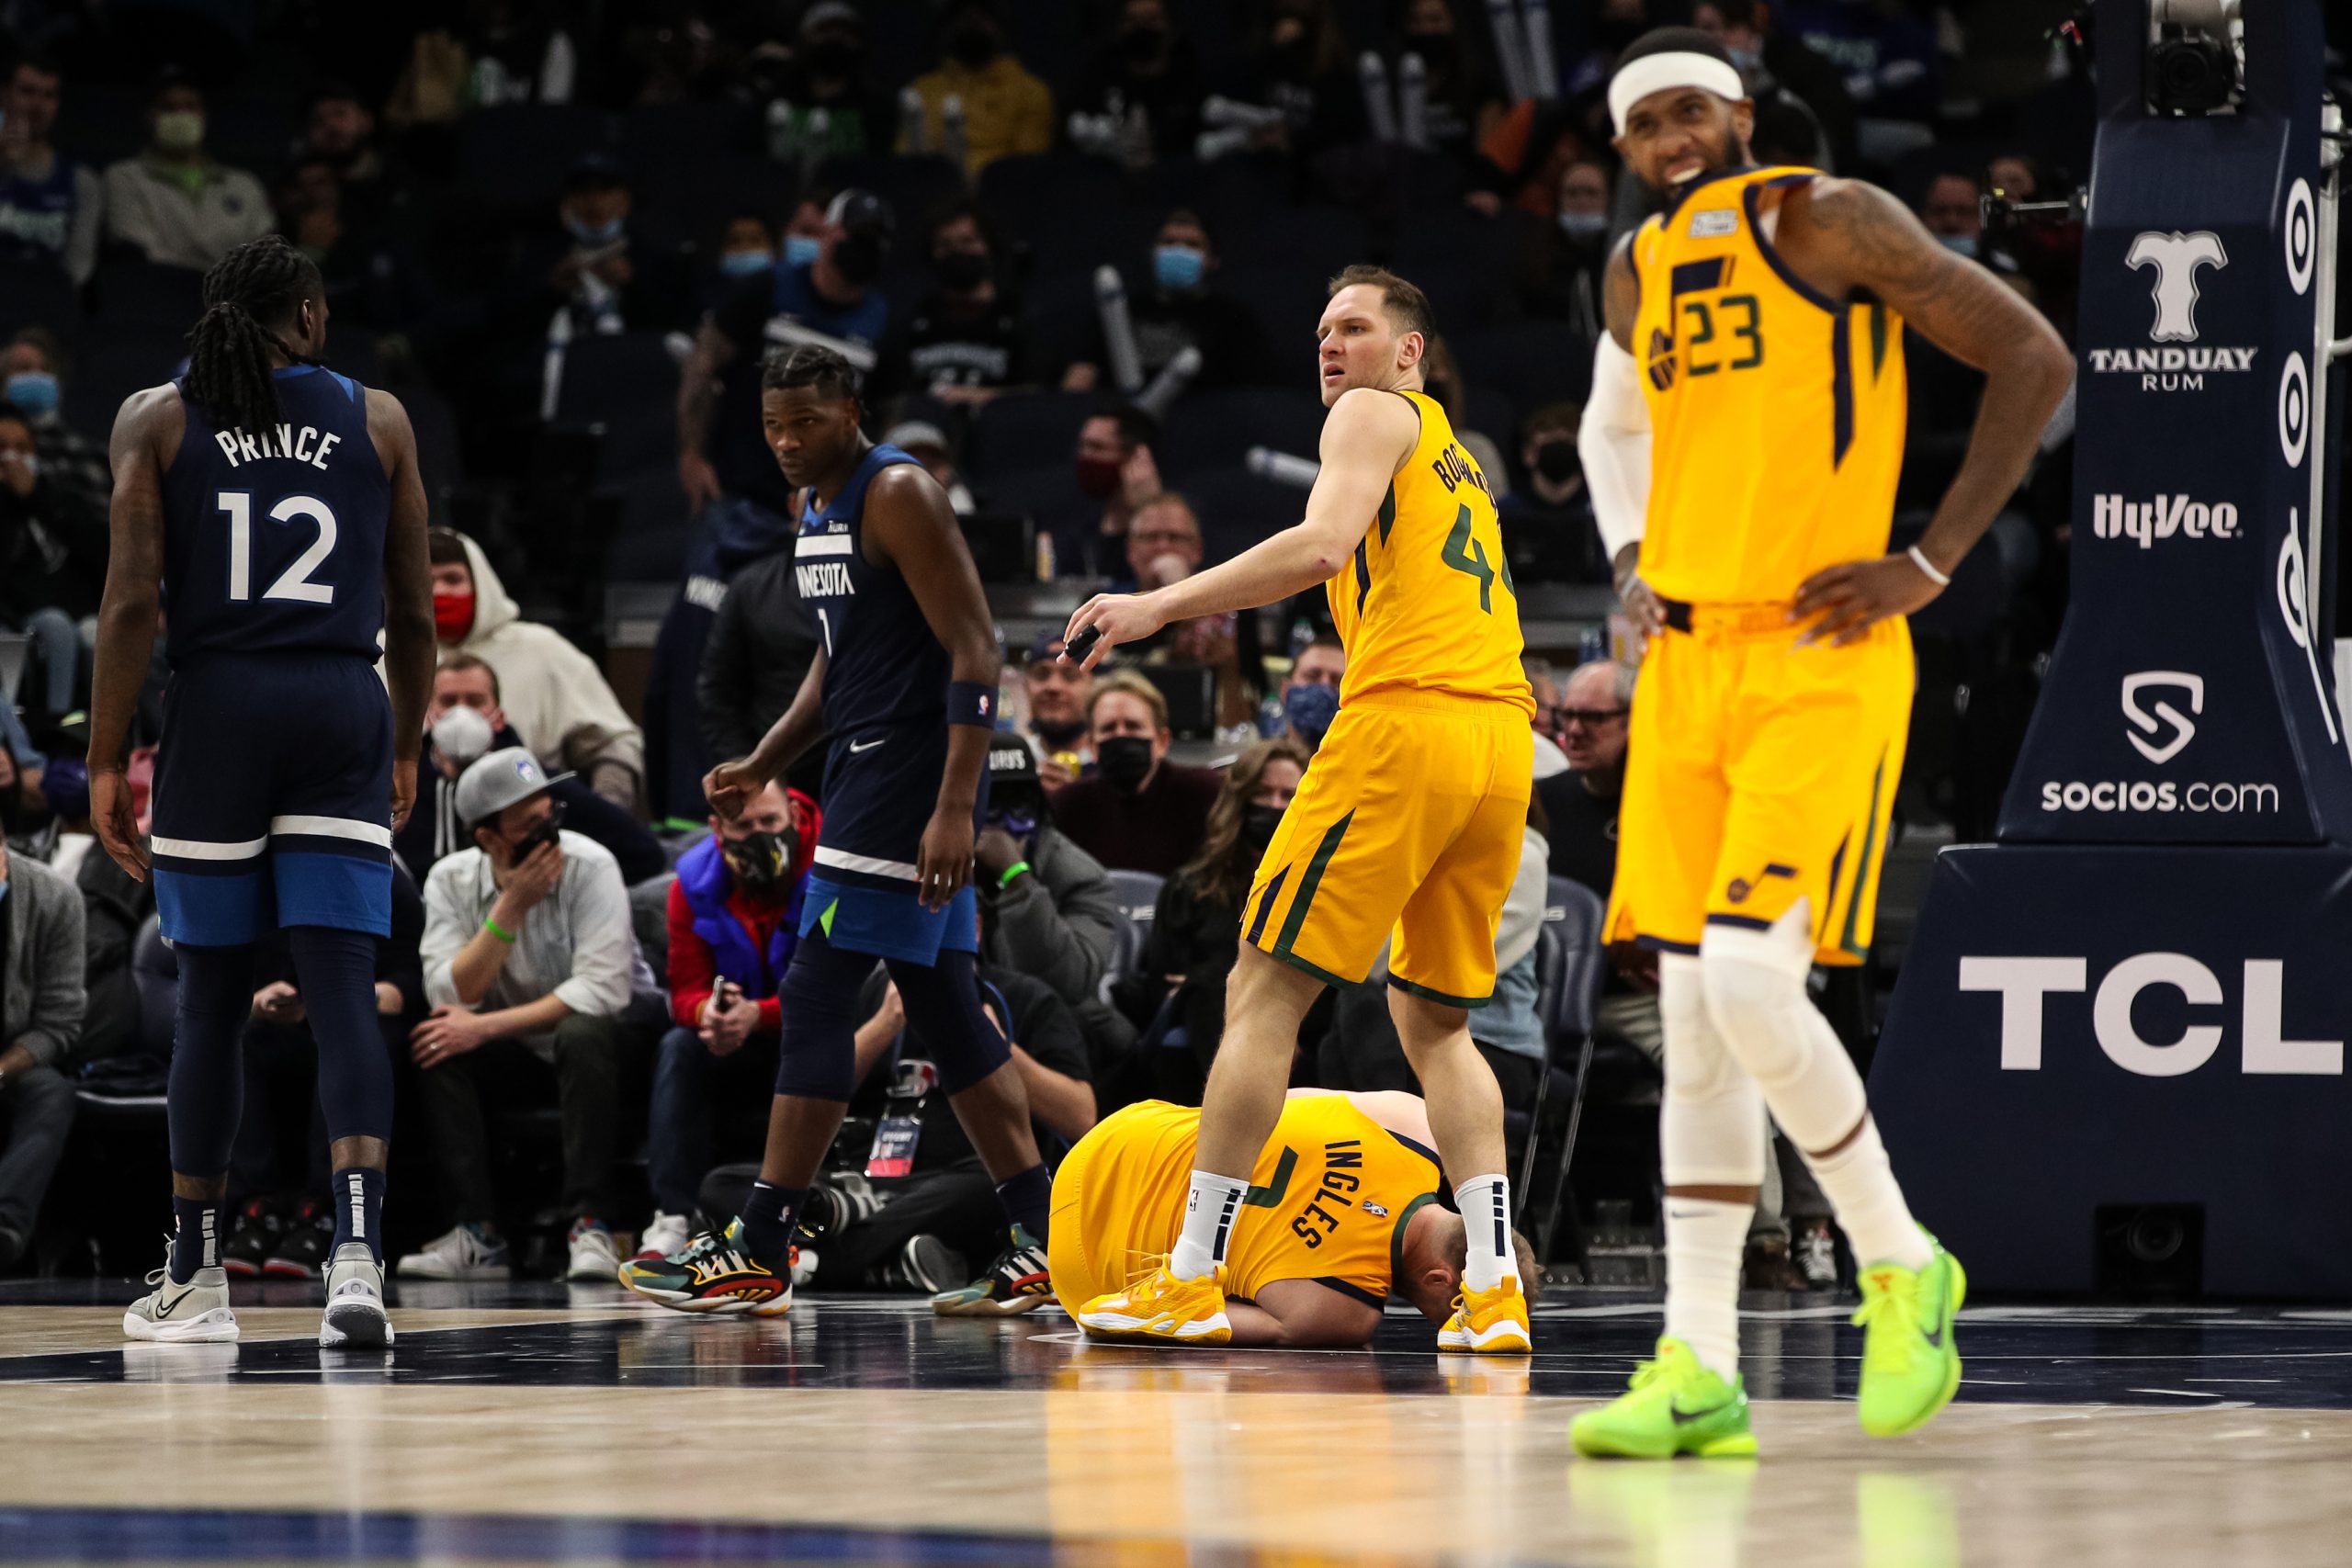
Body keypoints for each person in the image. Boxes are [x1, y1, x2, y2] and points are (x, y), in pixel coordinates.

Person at [1566, 30, 2072, 1456]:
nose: (1669, 135)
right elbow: (1614, 428)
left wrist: (1930, 559)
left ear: (1737, 114)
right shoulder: (1635, 267)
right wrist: (1627, 555)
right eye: (1643, 121)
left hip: (1822, 652)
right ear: (1623, 146)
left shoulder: (1822, 216)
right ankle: (1698, 1361)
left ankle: (1901, 1256)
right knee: (1696, 1030)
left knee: (1742, 973)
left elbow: (2032, 354)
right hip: (1686, 662)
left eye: (1688, 110)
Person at [1063, 264, 1537, 1354]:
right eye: (1322, 330)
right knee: (1435, 1023)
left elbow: (1320, 547)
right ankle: (1495, 1287)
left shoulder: (1374, 416)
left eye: (1356, 328)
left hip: (1407, 725)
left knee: (1264, 988)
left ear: (1410, 352)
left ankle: (1188, 1276)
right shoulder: (1458, 462)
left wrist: (1155, 605)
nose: (1331, 347)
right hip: (1500, 741)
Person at [620, 344, 1058, 1320]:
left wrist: (953, 805)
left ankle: (759, 1245)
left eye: (807, 422)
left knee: (816, 992)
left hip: (906, 778)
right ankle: (1044, 1240)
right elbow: (834, 666)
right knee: (946, 1012)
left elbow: (976, 645)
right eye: (774, 425)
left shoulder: (896, 491)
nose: (786, 440)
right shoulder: (815, 507)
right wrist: (766, 760)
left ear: (851, 409)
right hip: (866, 764)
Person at [96, 233, 436, 1350]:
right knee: (342, 989)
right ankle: (357, 1257)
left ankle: (196, 1274)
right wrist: (406, 740)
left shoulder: (156, 415)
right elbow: (419, 608)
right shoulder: (378, 418)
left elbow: (133, 605)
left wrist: (106, 759)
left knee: (211, 999)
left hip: (222, 712)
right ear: (305, 312)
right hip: (341, 703)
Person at [405, 749, 661, 1282]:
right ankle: (475, 1234)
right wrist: (511, 907)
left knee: (581, 1030)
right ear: (489, 840)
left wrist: (481, 1028)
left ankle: (590, 1224)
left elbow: (602, 990)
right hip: (523, 1055)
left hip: (618, 1048)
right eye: (529, 825)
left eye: (551, 816)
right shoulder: (450, 882)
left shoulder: (592, 865)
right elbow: (449, 992)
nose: (550, 835)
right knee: (437, 1041)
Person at [1056, 1090, 1538, 1348]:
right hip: (1081, 1262)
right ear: (1442, 1280)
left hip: (1120, 1136)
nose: (1440, 1324)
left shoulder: (1413, 1123)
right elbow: (1212, 1324)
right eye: (1450, 1316)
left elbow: (1269, 1100)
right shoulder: (1344, 1314)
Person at [643, 780, 817, 1260]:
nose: (759, 834)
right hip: (734, 1040)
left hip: (808, 1034)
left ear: (795, 820)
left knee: (819, 1045)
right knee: (679, 1046)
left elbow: (835, 992)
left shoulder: (830, 874)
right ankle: (673, 1216)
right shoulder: (691, 886)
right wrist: (712, 1014)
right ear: (717, 830)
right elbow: (685, 990)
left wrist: (757, 1015)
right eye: (744, 826)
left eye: (770, 822)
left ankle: (800, 1218)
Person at [678, 189, 895, 525]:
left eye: (877, 239)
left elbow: (884, 414)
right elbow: (703, 363)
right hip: (739, 492)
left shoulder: (880, 323)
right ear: (829, 232)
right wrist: (693, 454)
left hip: (824, 510)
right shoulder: (769, 288)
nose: (866, 246)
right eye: (858, 234)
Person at [1116, 738, 1308, 1080]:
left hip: (1301, 1018)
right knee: (1207, 990)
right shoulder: (1190, 887)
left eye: (1288, 797)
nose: (1275, 805)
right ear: (1241, 800)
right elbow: (1165, 980)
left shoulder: (1318, 889)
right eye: (1263, 793)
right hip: (1209, 1020)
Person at [428, 528, 646, 812]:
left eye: (453, 579)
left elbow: (615, 745)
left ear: (482, 582)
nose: (439, 591)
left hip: (534, 818)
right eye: (425, 580)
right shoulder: (382, 651)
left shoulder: (543, 650)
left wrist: (606, 812)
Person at [399, 656, 662, 886]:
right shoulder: (397, 786)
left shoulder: (540, 790)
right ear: (428, 713)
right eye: (448, 701)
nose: (462, 712)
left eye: (475, 701)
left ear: (499, 716)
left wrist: (560, 891)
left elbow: (642, 854)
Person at [973, 736, 1129, 1065]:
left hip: (1057, 1029)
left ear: (1039, 810)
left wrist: (1017, 880)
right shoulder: (939, 862)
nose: (1003, 829)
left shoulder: (1082, 878)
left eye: (1018, 807)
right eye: (989, 807)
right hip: (964, 1014)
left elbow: (1070, 983)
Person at [1061, 209, 1272, 394]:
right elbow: (1080, 379)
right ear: (1153, 253)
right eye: (1168, 242)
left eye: (1192, 245)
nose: (1179, 251)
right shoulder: (1120, 312)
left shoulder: (1234, 318)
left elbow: (1249, 393)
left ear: (1212, 260)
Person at [0, 836, 85, 1269]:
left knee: (51, 1093)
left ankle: (6, 1228)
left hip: (14, 1059)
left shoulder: (55, 896)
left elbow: (59, 1023)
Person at [1047, 672, 1221, 876]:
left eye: (1133, 726)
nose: (1121, 735)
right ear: (1092, 746)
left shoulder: (1203, 794)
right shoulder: (1068, 805)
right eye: (1108, 728)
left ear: (1162, 741)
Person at [695, 536, 827, 802]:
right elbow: (717, 693)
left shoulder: (875, 588)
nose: (822, 514)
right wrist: (748, 766)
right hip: (778, 780)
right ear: (792, 507)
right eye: (813, 504)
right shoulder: (753, 588)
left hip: (864, 768)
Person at [102, 71, 274, 273]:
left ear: (205, 115)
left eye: (191, 106)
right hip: (160, 294)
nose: (181, 115)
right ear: (149, 115)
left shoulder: (244, 185)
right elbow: (140, 251)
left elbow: (263, 255)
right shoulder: (124, 177)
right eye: (169, 107)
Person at [0, 400, 104, 723]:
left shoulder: (56, 494)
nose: (12, 457)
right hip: (17, 616)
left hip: (76, 614)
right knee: (56, 627)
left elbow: (101, 550)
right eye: (2, 448)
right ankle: (58, 728)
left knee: (98, 632)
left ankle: (114, 740)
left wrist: (36, 496)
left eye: (22, 447)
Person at [904, 1, 1054, 176]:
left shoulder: (1031, 91)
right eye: (965, 17)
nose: (973, 24)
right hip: (934, 195)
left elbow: (1026, 169)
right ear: (949, 25)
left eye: (983, 17)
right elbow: (907, 159)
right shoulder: (922, 89)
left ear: (999, 25)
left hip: (1001, 196)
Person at [0, 54, 102, 286]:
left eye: (48, 95)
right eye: (27, 91)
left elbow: (78, 270)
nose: (37, 105)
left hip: (44, 306)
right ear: (4, 94)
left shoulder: (82, 181)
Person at [1067, 0, 1205, 168]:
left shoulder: (1192, 83)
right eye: (1132, 21)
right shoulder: (1096, 80)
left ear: (1172, 29)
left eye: (1152, 20)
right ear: (1118, 29)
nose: (1142, 29)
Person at [6, 328, 115, 520]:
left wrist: (37, 491)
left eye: (45, 369)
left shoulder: (85, 455)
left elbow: (102, 530)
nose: (36, 376)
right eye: (23, 368)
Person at [1055, 405, 1161, 580]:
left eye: (1097, 448)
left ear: (1136, 457)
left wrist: (1149, 509)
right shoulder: (1081, 529)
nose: (1085, 456)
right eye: (1081, 447)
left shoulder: (1174, 530)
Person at [1018, 634, 1092, 787]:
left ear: (1094, 686)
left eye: (1070, 676)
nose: (1054, 687)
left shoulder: (1111, 764)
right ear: (1025, 686)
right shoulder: (1014, 762)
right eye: (1041, 674)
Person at [1279, 635, 1343, 750]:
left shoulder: (1365, 767)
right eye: (1312, 676)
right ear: (1285, 689)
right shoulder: (1257, 765)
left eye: (1337, 681)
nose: (1324, 685)